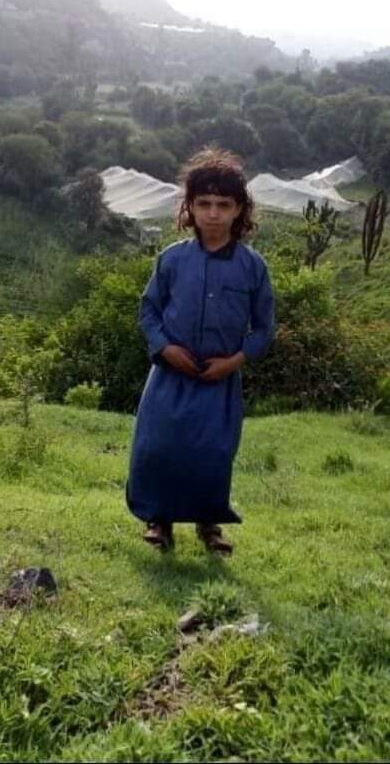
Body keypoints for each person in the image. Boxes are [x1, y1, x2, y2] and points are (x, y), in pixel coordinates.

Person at [126, 146, 275, 554]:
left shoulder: (253, 267)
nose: (213, 214)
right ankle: (159, 521)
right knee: (159, 446)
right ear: (189, 207)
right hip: (170, 374)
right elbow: (149, 310)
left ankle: (210, 525)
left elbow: (264, 328)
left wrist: (234, 361)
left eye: (223, 205)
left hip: (219, 379)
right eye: (204, 203)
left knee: (212, 451)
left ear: (239, 209)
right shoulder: (172, 260)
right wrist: (164, 348)